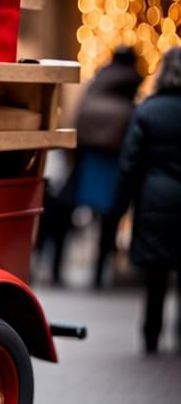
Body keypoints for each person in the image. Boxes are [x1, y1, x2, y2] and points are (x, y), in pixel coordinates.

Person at [114, 47, 181, 355]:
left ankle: (151, 337)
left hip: (155, 199)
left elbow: (130, 164)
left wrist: (121, 203)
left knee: (155, 276)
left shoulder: (147, 111)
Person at [65, 46, 141, 287]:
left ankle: (59, 267)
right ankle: (100, 272)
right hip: (114, 159)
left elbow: (78, 120)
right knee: (110, 218)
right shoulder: (131, 84)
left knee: (77, 211)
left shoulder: (98, 80)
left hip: (89, 155)